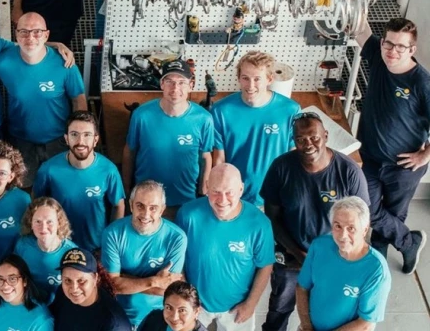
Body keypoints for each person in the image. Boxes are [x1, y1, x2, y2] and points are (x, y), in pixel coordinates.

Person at [260, 112, 370, 331]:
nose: (308, 144)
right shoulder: (281, 168)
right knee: (280, 308)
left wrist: (350, 262)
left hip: (334, 260)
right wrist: (298, 254)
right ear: (294, 141)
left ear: (326, 135)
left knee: (327, 313)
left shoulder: (348, 172)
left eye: (314, 137)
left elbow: (362, 225)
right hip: (291, 258)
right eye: (300, 139)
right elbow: (272, 217)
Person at [354, 17, 429, 272]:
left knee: (393, 215)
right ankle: (409, 242)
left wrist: (424, 156)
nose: (392, 51)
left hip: (404, 166)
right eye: (389, 43)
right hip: (372, 159)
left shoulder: (421, 82)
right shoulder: (377, 55)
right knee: (369, 210)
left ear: (412, 50)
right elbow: (360, 26)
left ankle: (378, 263)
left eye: (400, 47)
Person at [175, 164, 274, 331]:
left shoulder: (259, 223)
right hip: (195, 305)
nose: (222, 200)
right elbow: (179, 259)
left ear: (241, 189)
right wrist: (186, 300)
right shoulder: (187, 215)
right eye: (215, 192)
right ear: (206, 187)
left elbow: (265, 265)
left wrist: (250, 303)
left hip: (237, 308)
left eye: (229, 192)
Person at [0, 12, 87, 185]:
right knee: (24, 190)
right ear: (16, 34)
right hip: (21, 142)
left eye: (37, 32)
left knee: (60, 188)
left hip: (58, 142)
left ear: (46, 35)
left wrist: (78, 138)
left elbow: (78, 100)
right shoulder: (3, 62)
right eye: (24, 32)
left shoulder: (65, 64)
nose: (30, 37)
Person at [122, 59, 214, 217]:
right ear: (161, 84)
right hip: (147, 203)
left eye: (181, 82)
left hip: (185, 201)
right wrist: (127, 188)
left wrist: (202, 193)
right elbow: (129, 152)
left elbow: (206, 157)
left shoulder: (204, 119)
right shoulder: (141, 116)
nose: (175, 88)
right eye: (170, 81)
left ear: (191, 85)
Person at [210, 51, 300, 206]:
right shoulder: (221, 111)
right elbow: (219, 159)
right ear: (238, 78)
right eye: (245, 78)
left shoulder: (290, 110)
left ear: (270, 79)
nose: (250, 85)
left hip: (276, 198)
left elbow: (295, 156)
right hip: (235, 198)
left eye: (257, 79)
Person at [296, 197, 392, 331]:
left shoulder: (376, 269)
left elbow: (365, 323)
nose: (342, 236)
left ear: (365, 229)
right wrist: (306, 326)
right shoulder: (319, 246)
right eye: (338, 226)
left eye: (351, 228)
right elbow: (302, 287)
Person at [34, 111, 125, 251]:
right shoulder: (48, 170)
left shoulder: (109, 170)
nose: (80, 142)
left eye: (87, 135)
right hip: (58, 247)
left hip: (96, 248)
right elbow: (35, 207)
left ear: (95, 140)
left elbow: (118, 206)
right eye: (74, 134)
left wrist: (110, 242)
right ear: (66, 138)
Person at [102, 181, 187, 327]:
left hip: (159, 315)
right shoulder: (113, 233)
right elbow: (112, 284)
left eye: (153, 208)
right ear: (131, 205)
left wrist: (124, 278)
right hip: (118, 313)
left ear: (162, 209)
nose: (146, 214)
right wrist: (154, 280)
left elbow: (167, 288)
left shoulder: (177, 238)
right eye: (140, 206)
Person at [49, 248, 132, 331]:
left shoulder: (114, 324)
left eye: (81, 281)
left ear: (95, 278)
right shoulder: (62, 293)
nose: (74, 288)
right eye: (68, 280)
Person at [14, 197, 78, 303]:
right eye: (38, 221)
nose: (43, 228)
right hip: (30, 302)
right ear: (31, 224)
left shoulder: (72, 253)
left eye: (49, 222)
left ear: (59, 223)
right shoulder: (23, 245)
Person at [0, 254, 54, 331]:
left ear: (25, 281)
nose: (5, 285)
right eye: (0, 279)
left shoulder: (41, 320)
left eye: (12, 279)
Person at [137, 281, 208, 331]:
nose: (174, 317)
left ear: (196, 312)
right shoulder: (154, 318)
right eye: (169, 308)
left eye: (182, 310)